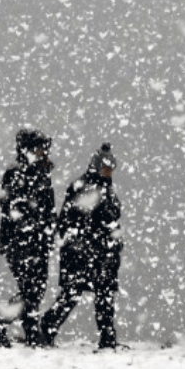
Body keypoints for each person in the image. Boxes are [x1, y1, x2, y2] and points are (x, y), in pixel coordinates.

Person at [34, 143, 123, 350]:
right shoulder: (83, 187)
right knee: (75, 294)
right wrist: (84, 243)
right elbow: (70, 221)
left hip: (100, 252)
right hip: (83, 252)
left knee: (102, 295)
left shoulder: (102, 188)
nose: (108, 173)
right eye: (105, 168)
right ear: (97, 167)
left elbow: (106, 220)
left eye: (110, 169)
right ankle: (47, 328)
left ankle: (107, 339)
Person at [0, 128, 56, 348]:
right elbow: (10, 207)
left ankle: (28, 332)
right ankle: (9, 326)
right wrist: (31, 225)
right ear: (27, 149)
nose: (44, 152)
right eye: (40, 148)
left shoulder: (42, 174)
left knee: (36, 289)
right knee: (31, 290)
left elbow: (47, 208)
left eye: (45, 148)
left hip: (38, 241)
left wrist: (47, 230)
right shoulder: (16, 174)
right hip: (21, 242)